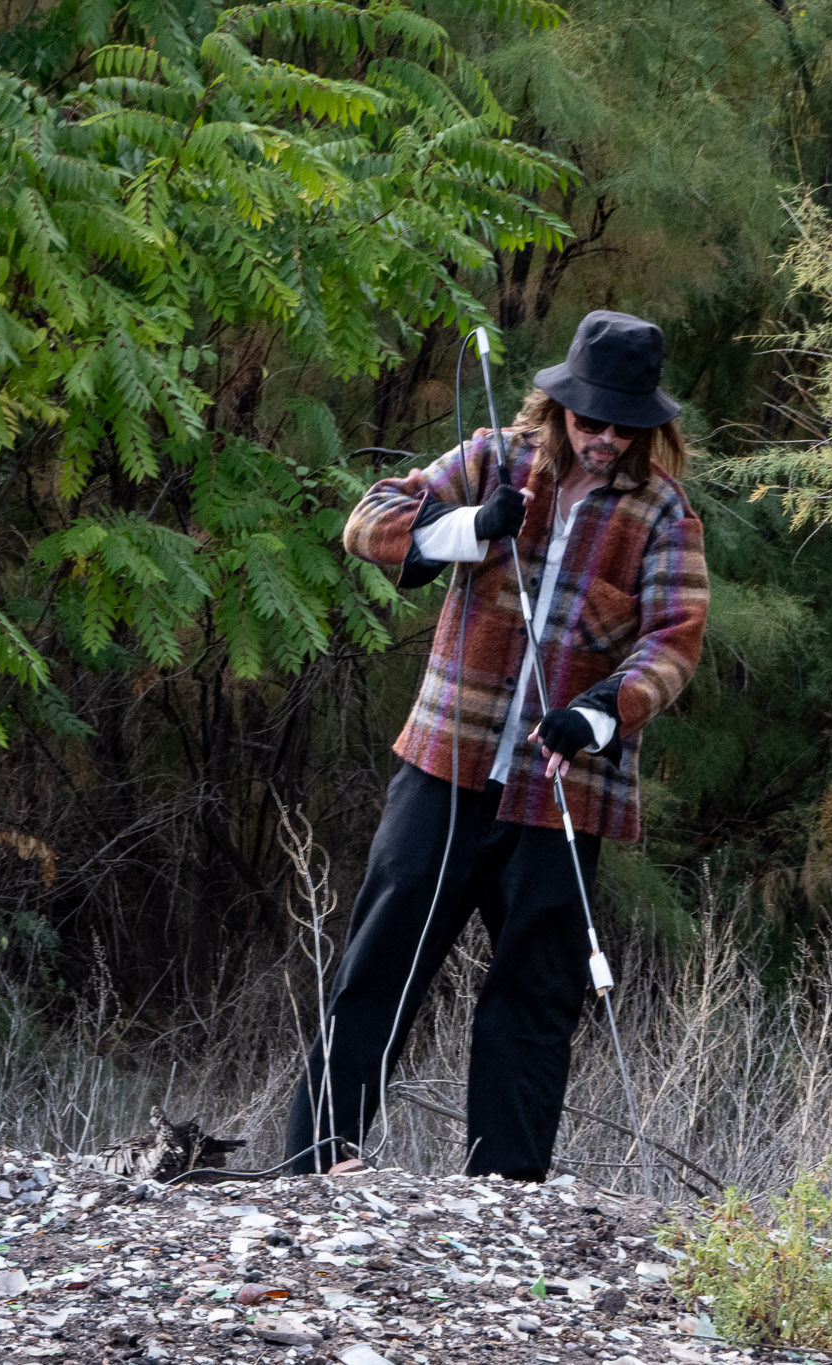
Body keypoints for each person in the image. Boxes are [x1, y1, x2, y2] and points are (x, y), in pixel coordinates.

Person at [285, 310, 708, 1178]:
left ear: (648, 428)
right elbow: (368, 522)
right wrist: (472, 526)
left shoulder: (665, 512)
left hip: (562, 792)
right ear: (561, 408)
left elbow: (674, 642)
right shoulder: (493, 458)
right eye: (591, 419)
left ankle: (505, 1198)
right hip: (445, 768)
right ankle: (317, 1166)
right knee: (379, 968)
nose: (605, 439)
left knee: (534, 998)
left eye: (625, 427)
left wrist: (600, 714)